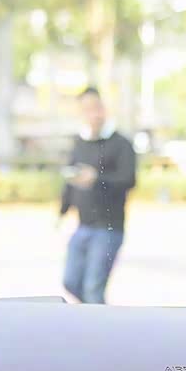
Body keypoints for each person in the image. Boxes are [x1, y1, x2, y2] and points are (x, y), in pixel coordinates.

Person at [59, 87, 137, 304]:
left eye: (96, 107)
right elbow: (70, 179)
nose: (92, 114)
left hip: (109, 227)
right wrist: (63, 210)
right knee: (71, 281)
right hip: (83, 225)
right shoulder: (80, 142)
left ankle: (97, 321)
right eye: (86, 109)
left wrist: (96, 179)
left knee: (93, 287)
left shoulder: (121, 144)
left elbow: (129, 180)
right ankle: (93, 317)